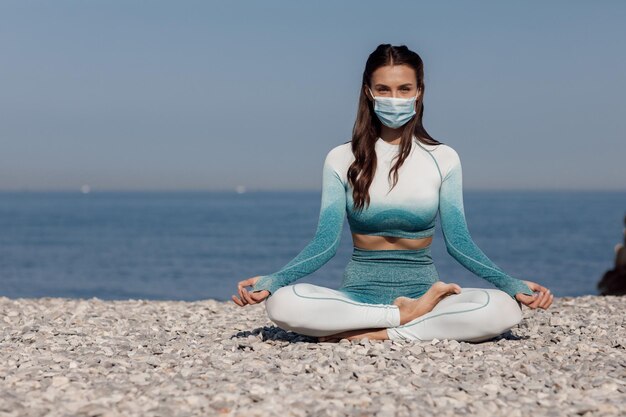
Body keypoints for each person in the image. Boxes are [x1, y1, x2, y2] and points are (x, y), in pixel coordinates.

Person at [232, 44, 553, 343]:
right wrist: (275, 280)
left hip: (428, 293)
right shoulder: (341, 159)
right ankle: (402, 319)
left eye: (404, 89)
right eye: (384, 89)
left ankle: (377, 333)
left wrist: (509, 284)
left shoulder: (444, 158)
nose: (394, 98)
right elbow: (324, 245)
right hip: (358, 295)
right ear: (369, 92)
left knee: (503, 308)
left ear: (419, 92)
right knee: (284, 304)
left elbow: (459, 244)